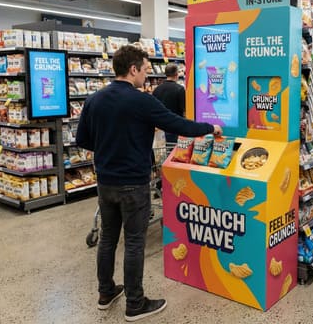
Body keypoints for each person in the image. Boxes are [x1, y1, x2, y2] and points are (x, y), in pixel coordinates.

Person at [76, 45, 222, 322]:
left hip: (105, 182)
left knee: (108, 238)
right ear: (133, 69)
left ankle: (106, 293)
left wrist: (109, 145)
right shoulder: (141, 100)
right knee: (133, 242)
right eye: (145, 69)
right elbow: (178, 124)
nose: (147, 74)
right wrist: (209, 128)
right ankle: (135, 303)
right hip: (133, 183)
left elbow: (83, 140)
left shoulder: (94, 99)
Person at [152, 63, 185, 143]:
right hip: (175, 128)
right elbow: (184, 110)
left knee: (163, 153)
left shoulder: (157, 89)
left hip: (160, 128)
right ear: (177, 74)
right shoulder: (180, 89)